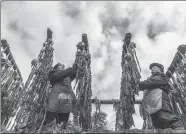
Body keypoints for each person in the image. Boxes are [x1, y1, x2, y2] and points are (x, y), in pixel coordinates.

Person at [139, 63, 184, 129]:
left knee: (164, 114)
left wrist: (139, 84)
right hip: (152, 101)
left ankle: (178, 128)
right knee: (157, 119)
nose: (152, 70)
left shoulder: (161, 76)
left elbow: (153, 82)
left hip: (160, 97)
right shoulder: (151, 78)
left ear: (160, 69)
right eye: (152, 69)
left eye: (154, 68)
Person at [39, 63, 78, 132]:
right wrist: (70, 70)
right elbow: (58, 76)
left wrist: (77, 65)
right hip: (55, 97)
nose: (62, 67)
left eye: (63, 66)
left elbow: (74, 73)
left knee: (63, 124)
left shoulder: (67, 75)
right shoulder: (53, 74)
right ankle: (45, 131)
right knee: (49, 121)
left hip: (66, 98)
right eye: (60, 65)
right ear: (56, 67)